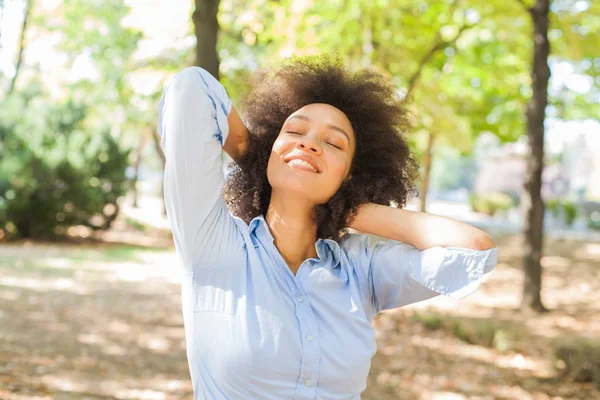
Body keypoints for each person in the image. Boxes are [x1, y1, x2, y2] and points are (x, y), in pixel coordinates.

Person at [157, 56, 497, 400]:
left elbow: (474, 249)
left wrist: (345, 205)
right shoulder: (213, 245)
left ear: (350, 173)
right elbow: (191, 89)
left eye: (334, 143)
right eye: (293, 131)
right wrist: (254, 159)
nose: (309, 143)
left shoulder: (360, 267)